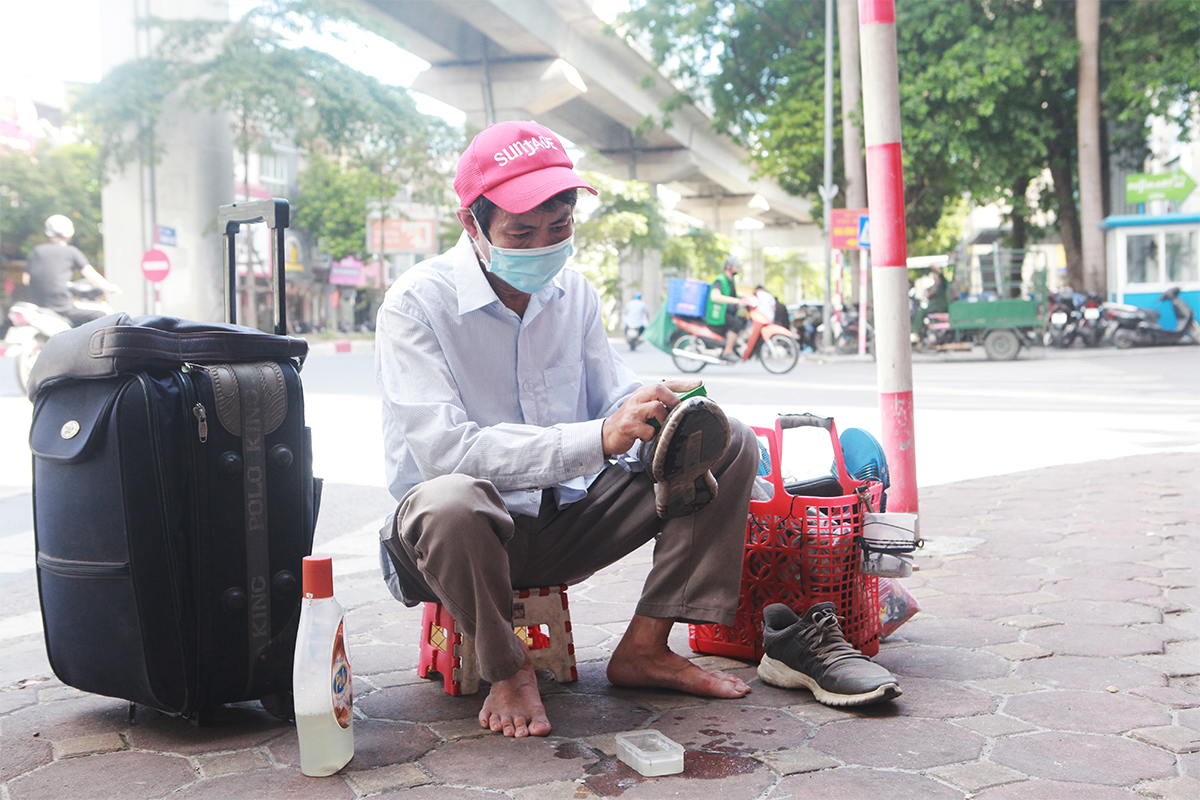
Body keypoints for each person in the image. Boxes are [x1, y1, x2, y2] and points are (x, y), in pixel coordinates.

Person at [374, 121, 759, 739]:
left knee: (732, 440)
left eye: (559, 229)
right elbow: (447, 451)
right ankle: (508, 671)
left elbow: (611, 398)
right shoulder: (416, 304)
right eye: (520, 233)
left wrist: (656, 413)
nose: (542, 246)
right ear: (472, 226)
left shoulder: (573, 293)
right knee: (449, 500)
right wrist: (598, 437)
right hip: (455, 547)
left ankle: (647, 646)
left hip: (562, 525)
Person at [23, 215, 120, 326]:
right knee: (102, 315)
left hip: (39, 306)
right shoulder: (71, 251)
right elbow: (91, 274)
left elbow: (26, 280)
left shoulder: (37, 251)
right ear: (70, 233)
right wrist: (110, 288)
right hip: (62, 307)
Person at [704, 256, 750, 361]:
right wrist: (736, 301)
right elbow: (714, 296)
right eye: (736, 266)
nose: (738, 269)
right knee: (736, 324)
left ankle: (732, 345)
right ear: (728, 267)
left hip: (727, 313)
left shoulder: (731, 281)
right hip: (718, 314)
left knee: (743, 320)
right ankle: (727, 351)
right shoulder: (720, 280)